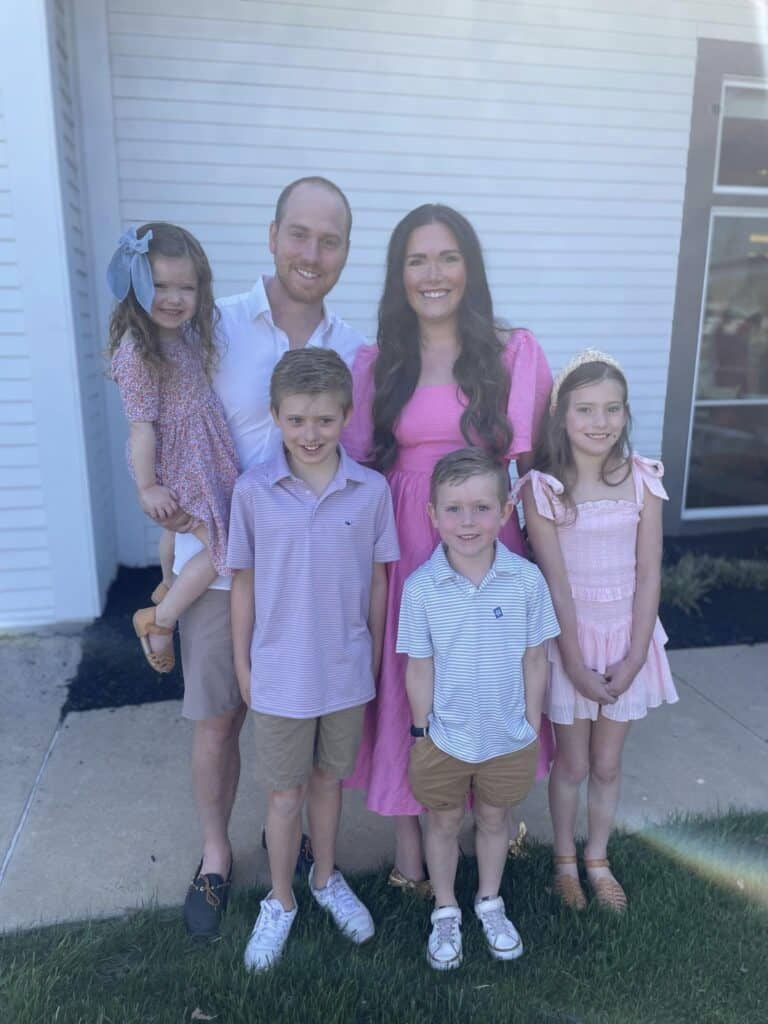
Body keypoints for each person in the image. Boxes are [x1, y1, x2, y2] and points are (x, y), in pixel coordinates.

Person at [140, 177, 365, 937]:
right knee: (220, 716)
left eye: (329, 240)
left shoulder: (349, 347)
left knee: (299, 712)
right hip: (221, 560)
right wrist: (164, 522)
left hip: (308, 570)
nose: (312, 253)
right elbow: (155, 406)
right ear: (272, 236)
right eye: (299, 234)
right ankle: (214, 857)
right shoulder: (214, 326)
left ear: (344, 251)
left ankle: (294, 839)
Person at [342, 203, 554, 891]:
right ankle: (413, 852)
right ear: (399, 274)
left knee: (487, 679)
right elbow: (354, 466)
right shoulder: (378, 363)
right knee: (413, 689)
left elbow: (536, 467)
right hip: (408, 545)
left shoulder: (512, 352)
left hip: (489, 540)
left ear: (471, 267)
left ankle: (485, 821)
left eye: (447, 257)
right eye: (417, 259)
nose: (433, 274)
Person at [228, 348, 399, 971]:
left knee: (330, 783)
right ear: (275, 415)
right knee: (283, 796)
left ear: (346, 416)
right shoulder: (253, 492)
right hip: (279, 673)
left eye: (324, 420)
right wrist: (245, 666)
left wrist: (375, 655)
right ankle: (280, 900)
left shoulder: (371, 490)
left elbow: (380, 581)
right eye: (296, 419)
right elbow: (242, 583)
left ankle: (326, 879)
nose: (310, 433)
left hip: (346, 669)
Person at [513, 350, 679, 912]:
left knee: (607, 764)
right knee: (574, 763)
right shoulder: (543, 489)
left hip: (627, 637)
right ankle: (563, 860)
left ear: (626, 415)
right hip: (570, 644)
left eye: (612, 409)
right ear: (561, 416)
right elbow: (554, 585)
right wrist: (576, 662)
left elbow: (649, 572)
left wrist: (635, 655)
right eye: (585, 409)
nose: (600, 422)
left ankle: (597, 858)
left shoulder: (642, 481)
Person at [399, 448, 559, 969]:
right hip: (444, 737)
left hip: (507, 736)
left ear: (505, 511)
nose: (468, 521)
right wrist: (421, 733)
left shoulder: (526, 582)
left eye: (481, 508)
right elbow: (418, 667)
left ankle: (490, 900)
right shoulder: (421, 588)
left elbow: (536, 658)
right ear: (432, 515)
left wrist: (531, 725)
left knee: (495, 819)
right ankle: (445, 910)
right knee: (442, 824)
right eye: (453, 509)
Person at [108, 223, 240, 674]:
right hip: (179, 463)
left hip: (201, 454)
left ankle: (167, 583)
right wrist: (148, 488)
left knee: (179, 533)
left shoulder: (179, 336)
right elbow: (141, 429)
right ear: (135, 285)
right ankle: (159, 620)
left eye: (186, 287)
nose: (174, 298)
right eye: (160, 285)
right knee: (224, 547)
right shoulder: (137, 352)